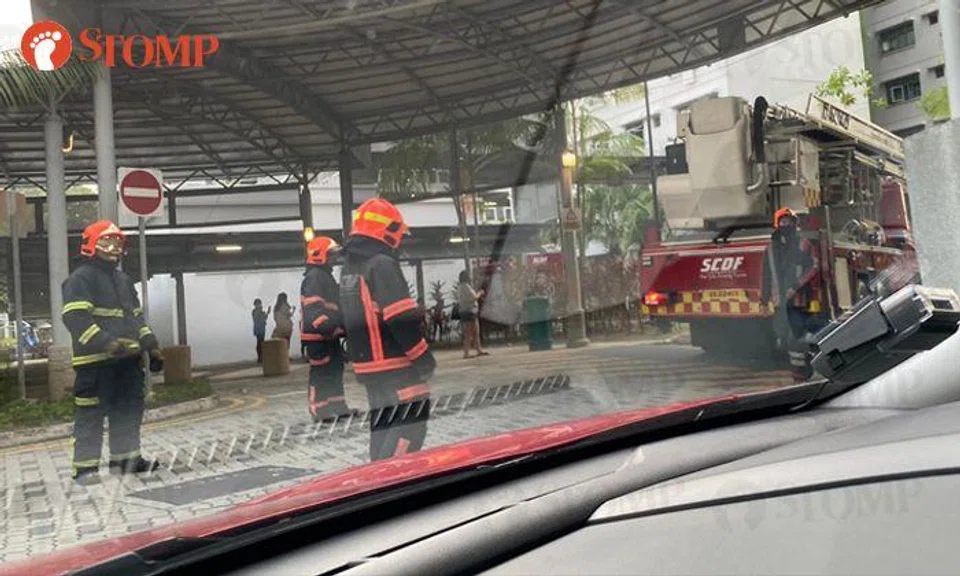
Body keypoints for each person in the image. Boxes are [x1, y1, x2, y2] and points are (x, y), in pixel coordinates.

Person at [61, 220, 164, 485]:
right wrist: (107, 343)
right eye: (106, 242)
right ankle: (85, 469)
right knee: (91, 416)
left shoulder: (124, 280)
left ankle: (126, 461)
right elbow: (75, 318)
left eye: (117, 242)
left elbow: (136, 318)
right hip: (95, 364)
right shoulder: (80, 279)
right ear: (90, 245)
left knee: (128, 411)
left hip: (127, 362)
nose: (113, 247)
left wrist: (151, 346)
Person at [340, 198, 437, 461]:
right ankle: (392, 479)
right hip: (394, 365)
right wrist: (424, 359)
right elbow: (400, 318)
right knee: (410, 424)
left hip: (369, 367)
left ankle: (376, 477)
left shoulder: (349, 268)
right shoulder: (381, 263)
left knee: (384, 426)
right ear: (389, 230)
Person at [761, 207, 822, 383]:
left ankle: (800, 372)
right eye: (783, 222)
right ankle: (803, 365)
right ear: (777, 224)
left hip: (798, 300)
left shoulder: (804, 244)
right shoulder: (770, 249)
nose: (786, 225)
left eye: (789, 221)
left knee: (795, 337)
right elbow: (765, 275)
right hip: (780, 302)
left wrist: (796, 286)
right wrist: (764, 300)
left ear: (795, 223)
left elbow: (814, 266)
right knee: (784, 335)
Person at [300, 236, 356, 422]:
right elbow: (314, 310)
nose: (334, 258)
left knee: (335, 368)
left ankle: (337, 407)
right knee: (322, 372)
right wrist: (331, 327)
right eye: (331, 254)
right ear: (319, 255)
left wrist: (340, 327)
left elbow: (334, 306)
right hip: (318, 336)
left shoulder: (323, 275)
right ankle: (319, 409)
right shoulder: (315, 277)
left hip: (328, 334)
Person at [458, 270, 488, 358]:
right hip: (469, 311)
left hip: (466, 311)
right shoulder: (466, 286)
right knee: (470, 333)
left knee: (474, 332)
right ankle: (467, 353)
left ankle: (478, 349)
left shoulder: (461, 287)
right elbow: (474, 297)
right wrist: (480, 293)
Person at [252, 299, 270, 363]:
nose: (259, 305)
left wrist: (267, 312)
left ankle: (261, 357)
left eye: (259, 304)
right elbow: (257, 318)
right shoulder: (254, 311)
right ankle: (260, 357)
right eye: (257, 304)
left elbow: (264, 318)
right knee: (259, 343)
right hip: (258, 329)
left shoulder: (261, 311)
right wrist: (262, 312)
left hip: (262, 328)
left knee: (261, 342)